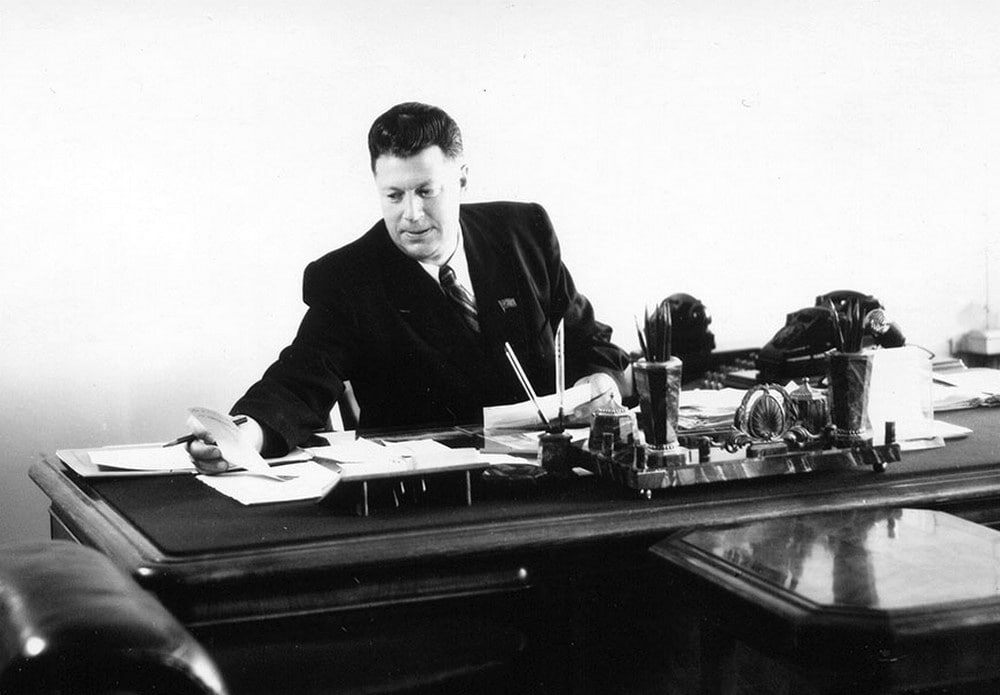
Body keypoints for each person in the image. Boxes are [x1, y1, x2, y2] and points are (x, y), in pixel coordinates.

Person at [190, 102, 630, 471]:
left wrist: (599, 384)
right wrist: (243, 435)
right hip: (433, 492)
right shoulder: (348, 276)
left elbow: (591, 343)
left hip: (551, 476)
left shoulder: (522, 233)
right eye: (394, 196)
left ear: (461, 178)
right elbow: (300, 381)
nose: (412, 215)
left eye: (426, 191)